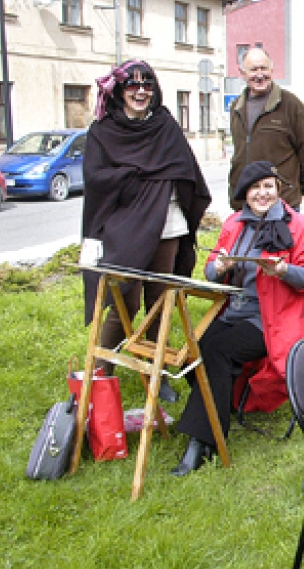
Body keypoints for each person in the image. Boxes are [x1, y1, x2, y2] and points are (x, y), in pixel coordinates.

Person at [171, 160, 304, 476]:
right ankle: (217, 408)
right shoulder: (233, 224)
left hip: (275, 319)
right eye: (255, 188)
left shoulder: (301, 227)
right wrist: (219, 267)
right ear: (244, 193)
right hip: (233, 310)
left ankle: (202, 442)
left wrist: (284, 271)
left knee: (218, 351)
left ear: (278, 189)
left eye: (268, 186)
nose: (262, 193)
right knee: (193, 352)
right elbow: (210, 271)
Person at [81, 59, 211, 404]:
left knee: (159, 301)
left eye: (147, 84)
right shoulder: (104, 131)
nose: (141, 91)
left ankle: (156, 370)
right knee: (124, 299)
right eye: (133, 85)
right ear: (120, 91)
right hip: (125, 229)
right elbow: (96, 178)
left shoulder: (165, 124)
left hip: (167, 226)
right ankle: (100, 372)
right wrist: (138, 178)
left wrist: (157, 182)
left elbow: (185, 168)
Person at [228, 48, 304, 211]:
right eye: (253, 69)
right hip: (245, 202)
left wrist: (296, 188)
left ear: (271, 70)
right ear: (242, 73)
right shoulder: (237, 107)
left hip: (282, 203)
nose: (259, 75)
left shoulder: (291, 105)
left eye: (264, 68)